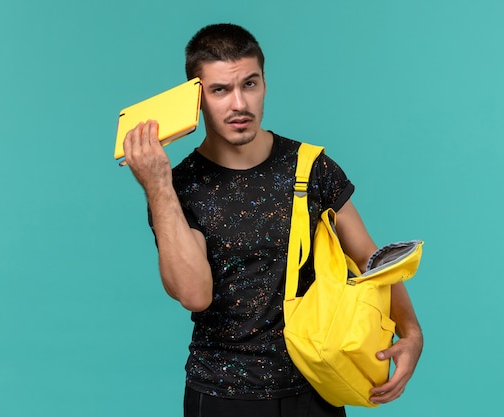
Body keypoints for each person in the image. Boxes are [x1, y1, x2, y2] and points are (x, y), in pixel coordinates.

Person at [122, 23, 423, 417]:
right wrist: (157, 185)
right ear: (196, 97)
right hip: (220, 395)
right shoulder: (179, 186)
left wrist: (412, 332)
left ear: (264, 82)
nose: (239, 104)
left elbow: (370, 259)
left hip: (315, 388)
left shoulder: (311, 167)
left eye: (249, 84)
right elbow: (194, 294)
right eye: (219, 90)